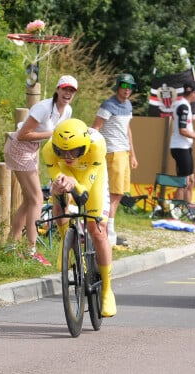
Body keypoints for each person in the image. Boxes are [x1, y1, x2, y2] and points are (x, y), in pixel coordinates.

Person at [42, 118, 116, 317]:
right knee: (59, 203)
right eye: (61, 152)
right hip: (67, 174)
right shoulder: (48, 149)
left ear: (83, 146)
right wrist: (59, 188)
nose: (67, 156)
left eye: (74, 151)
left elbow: (85, 193)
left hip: (92, 176)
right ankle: (66, 243)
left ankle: (107, 291)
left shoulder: (97, 144)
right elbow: (58, 175)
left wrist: (75, 185)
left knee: (97, 230)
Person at [3, 75, 78, 265]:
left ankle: (11, 246)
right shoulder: (44, 107)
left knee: (29, 200)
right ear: (57, 89)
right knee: (37, 198)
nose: (67, 93)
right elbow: (22, 134)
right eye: (65, 89)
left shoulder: (67, 110)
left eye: (71, 90)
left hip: (33, 149)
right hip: (19, 147)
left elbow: (62, 138)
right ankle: (31, 250)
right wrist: (53, 133)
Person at [91, 73, 139, 247]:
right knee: (113, 193)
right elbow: (95, 127)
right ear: (118, 86)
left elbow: (128, 130)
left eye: (130, 87)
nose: (127, 90)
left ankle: (110, 230)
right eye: (124, 86)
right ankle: (108, 232)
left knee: (118, 193)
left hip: (124, 152)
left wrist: (133, 154)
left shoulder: (128, 106)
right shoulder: (108, 105)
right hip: (112, 152)